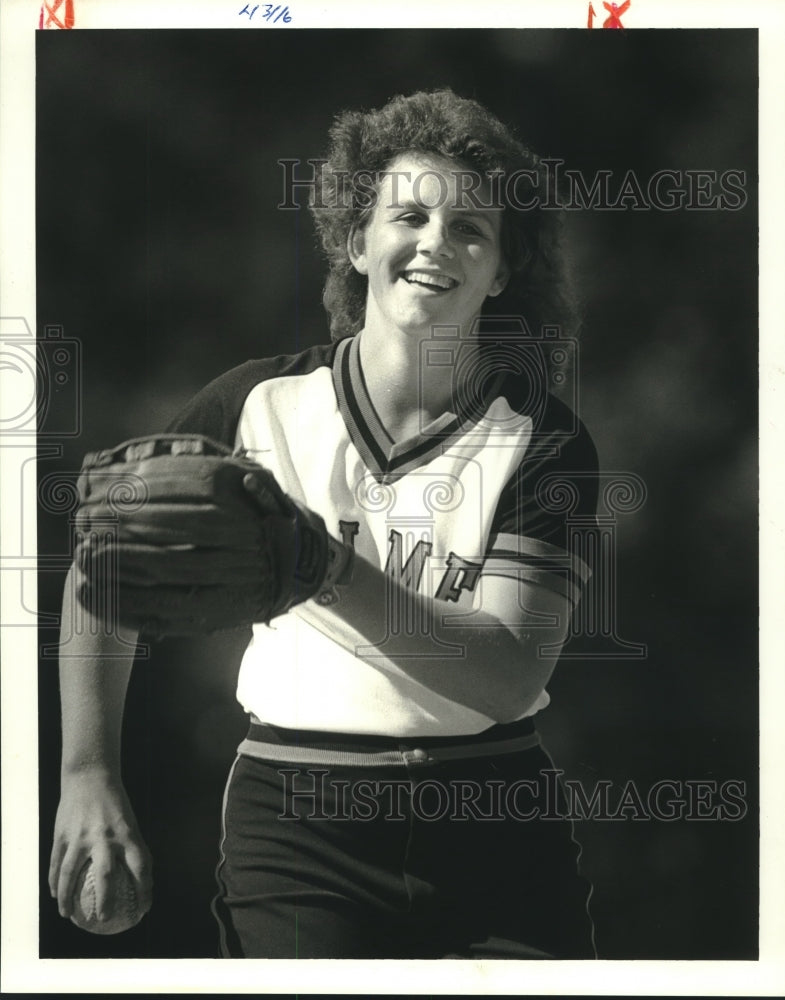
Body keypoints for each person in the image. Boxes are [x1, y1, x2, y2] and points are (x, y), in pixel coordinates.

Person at [49, 89, 599, 959]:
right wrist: (87, 772)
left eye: (470, 229)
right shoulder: (255, 403)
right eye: (407, 215)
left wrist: (323, 567)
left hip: (496, 816)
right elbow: (102, 572)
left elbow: (502, 673)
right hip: (297, 821)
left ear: (500, 270)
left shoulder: (542, 439)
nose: (434, 243)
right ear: (354, 241)